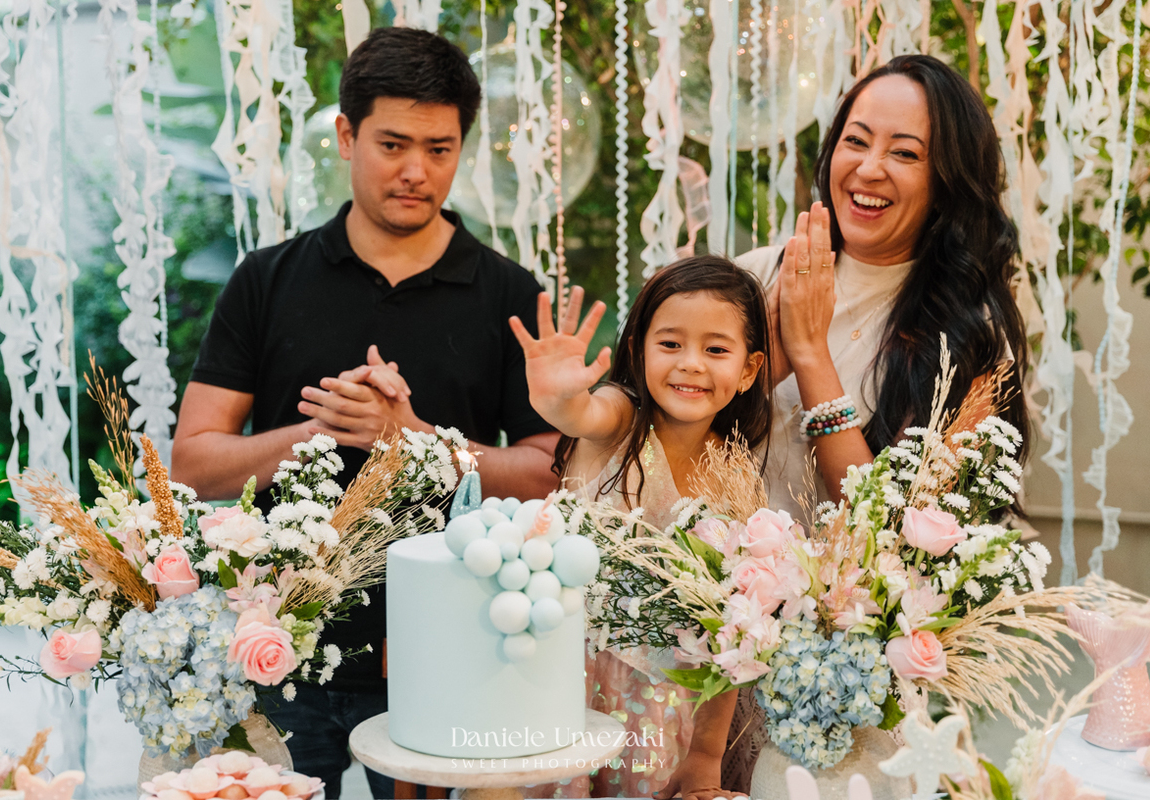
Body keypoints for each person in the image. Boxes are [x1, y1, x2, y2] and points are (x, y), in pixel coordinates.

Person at [170, 27, 559, 799]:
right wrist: (315, 435)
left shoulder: (510, 294)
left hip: (451, 645)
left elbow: (550, 477)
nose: (417, 171)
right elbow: (194, 462)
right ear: (346, 136)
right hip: (282, 642)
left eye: (441, 150)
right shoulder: (266, 279)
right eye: (393, 144)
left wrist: (415, 442)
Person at [664, 54, 1031, 799]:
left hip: (841, 689)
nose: (868, 168)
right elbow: (671, 449)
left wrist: (809, 353)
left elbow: (888, 540)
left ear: (947, 181)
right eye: (856, 141)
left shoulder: (973, 337)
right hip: (708, 651)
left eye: (905, 153)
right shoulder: (759, 275)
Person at [509, 256, 775, 798]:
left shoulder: (737, 473)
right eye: (670, 344)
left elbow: (733, 631)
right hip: (566, 683)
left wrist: (704, 755)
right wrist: (558, 396)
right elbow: (581, 413)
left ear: (748, 370)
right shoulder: (621, 420)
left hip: (667, 709)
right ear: (638, 350)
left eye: (716, 349)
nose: (691, 364)